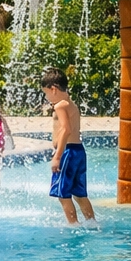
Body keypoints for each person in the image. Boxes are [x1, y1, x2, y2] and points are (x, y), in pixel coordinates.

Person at [41, 68, 94, 225]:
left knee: (62, 194)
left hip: (67, 153)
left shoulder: (60, 106)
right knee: (79, 193)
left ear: (53, 89)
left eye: (46, 93)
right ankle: (92, 222)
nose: (47, 97)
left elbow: (66, 129)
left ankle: (73, 225)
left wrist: (57, 156)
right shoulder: (71, 104)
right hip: (78, 151)